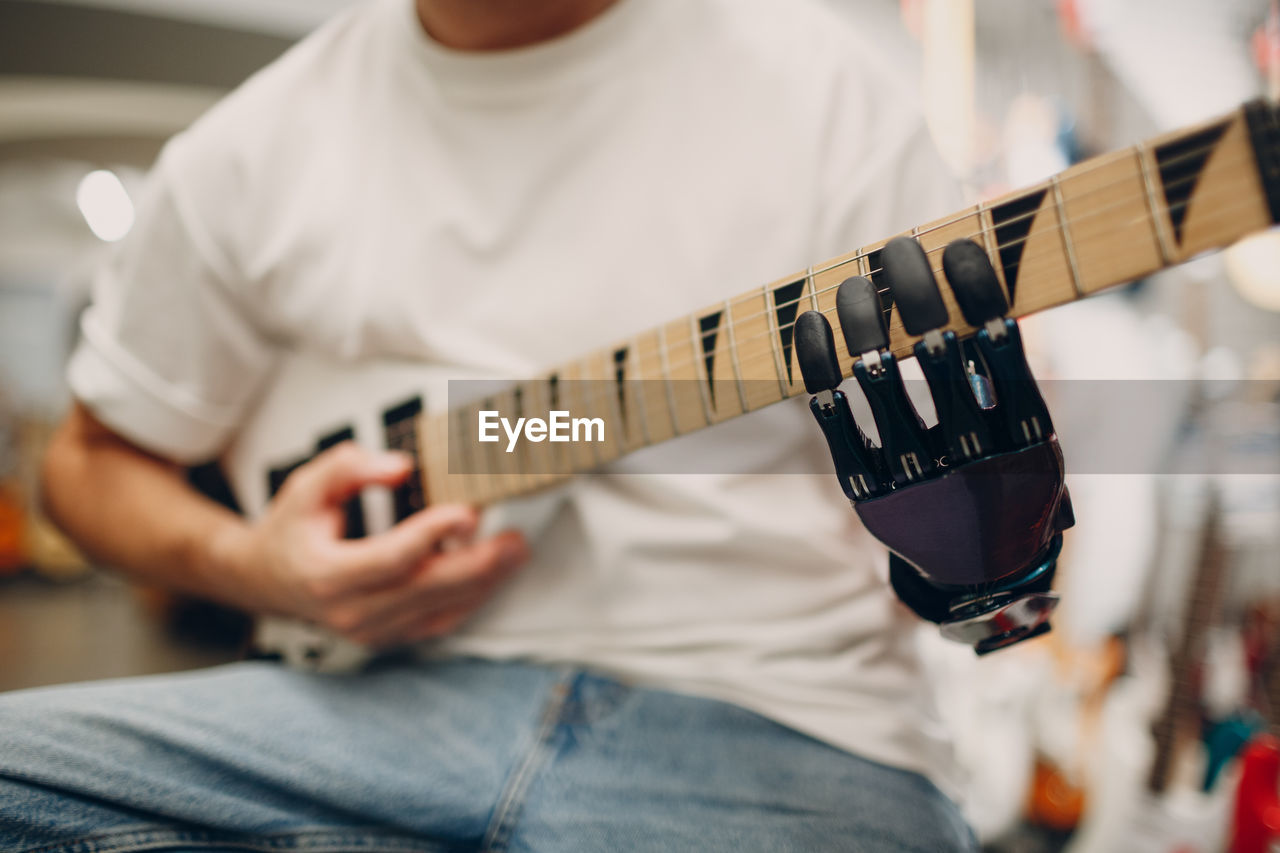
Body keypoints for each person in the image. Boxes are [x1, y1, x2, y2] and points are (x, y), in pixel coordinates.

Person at [0, 0, 978, 849]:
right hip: (360, 700)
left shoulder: (831, 94)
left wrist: (986, 534)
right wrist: (250, 566)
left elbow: (991, 572)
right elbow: (88, 459)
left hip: (781, 709)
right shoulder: (247, 148)